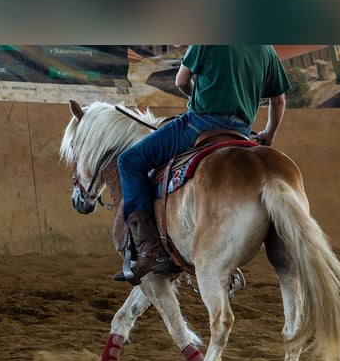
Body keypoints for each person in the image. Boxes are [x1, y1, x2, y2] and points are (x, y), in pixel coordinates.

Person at [114, 45, 291, 284]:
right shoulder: (265, 49)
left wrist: (195, 93)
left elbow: (181, 81)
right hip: (240, 130)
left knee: (129, 161)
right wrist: (268, 134)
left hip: (199, 124)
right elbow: (278, 101)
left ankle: (148, 248)